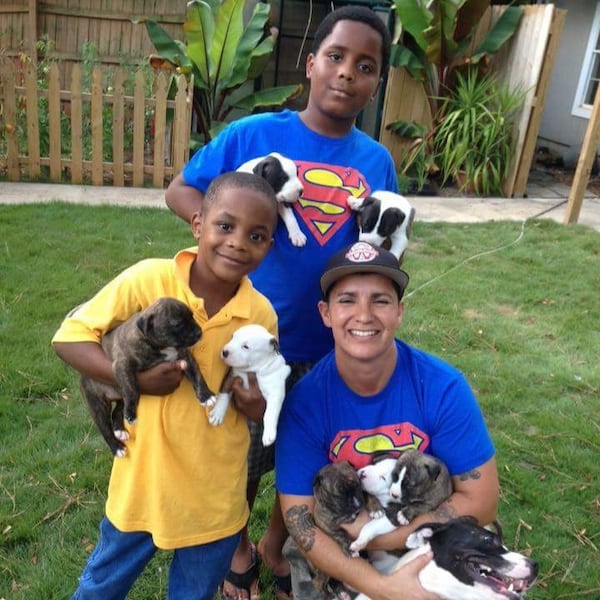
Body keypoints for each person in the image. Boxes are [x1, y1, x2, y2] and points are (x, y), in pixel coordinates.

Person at [164, 6, 397, 599]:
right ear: (311, 61)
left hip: (327, 344)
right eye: (337, 57)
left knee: (308, 451)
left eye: (365, 66)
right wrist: (221, 235)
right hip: (248, 336)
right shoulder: (254, 135)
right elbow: (182, 188)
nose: (347, 74)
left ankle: (275, 541)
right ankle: (238, 545)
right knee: (240, 452)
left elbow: (382, 245)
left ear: (375, 82)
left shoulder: (376, 162)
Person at [52, 172, 280, 600]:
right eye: (225, 226)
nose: (237, 242)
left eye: (257, 234)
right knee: (100, 589)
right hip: (143, 486)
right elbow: (69, 338)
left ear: (269, 246)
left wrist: (257, 405)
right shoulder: (148, 280)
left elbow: (264, 392)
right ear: (198, 224)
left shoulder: (260, 314)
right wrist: (133, 379)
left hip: (215, 499)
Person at [275, 241, 500, 600]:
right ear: (325, 313)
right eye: (347, 300)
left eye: (380, 300)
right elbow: (300, 518)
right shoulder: (305, 402)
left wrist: (387, 535)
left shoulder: (442, 387)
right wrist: (382, 587)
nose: (364, 315)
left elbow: (482, 498)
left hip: (425, 534)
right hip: (342, 544)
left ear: (399, 312)